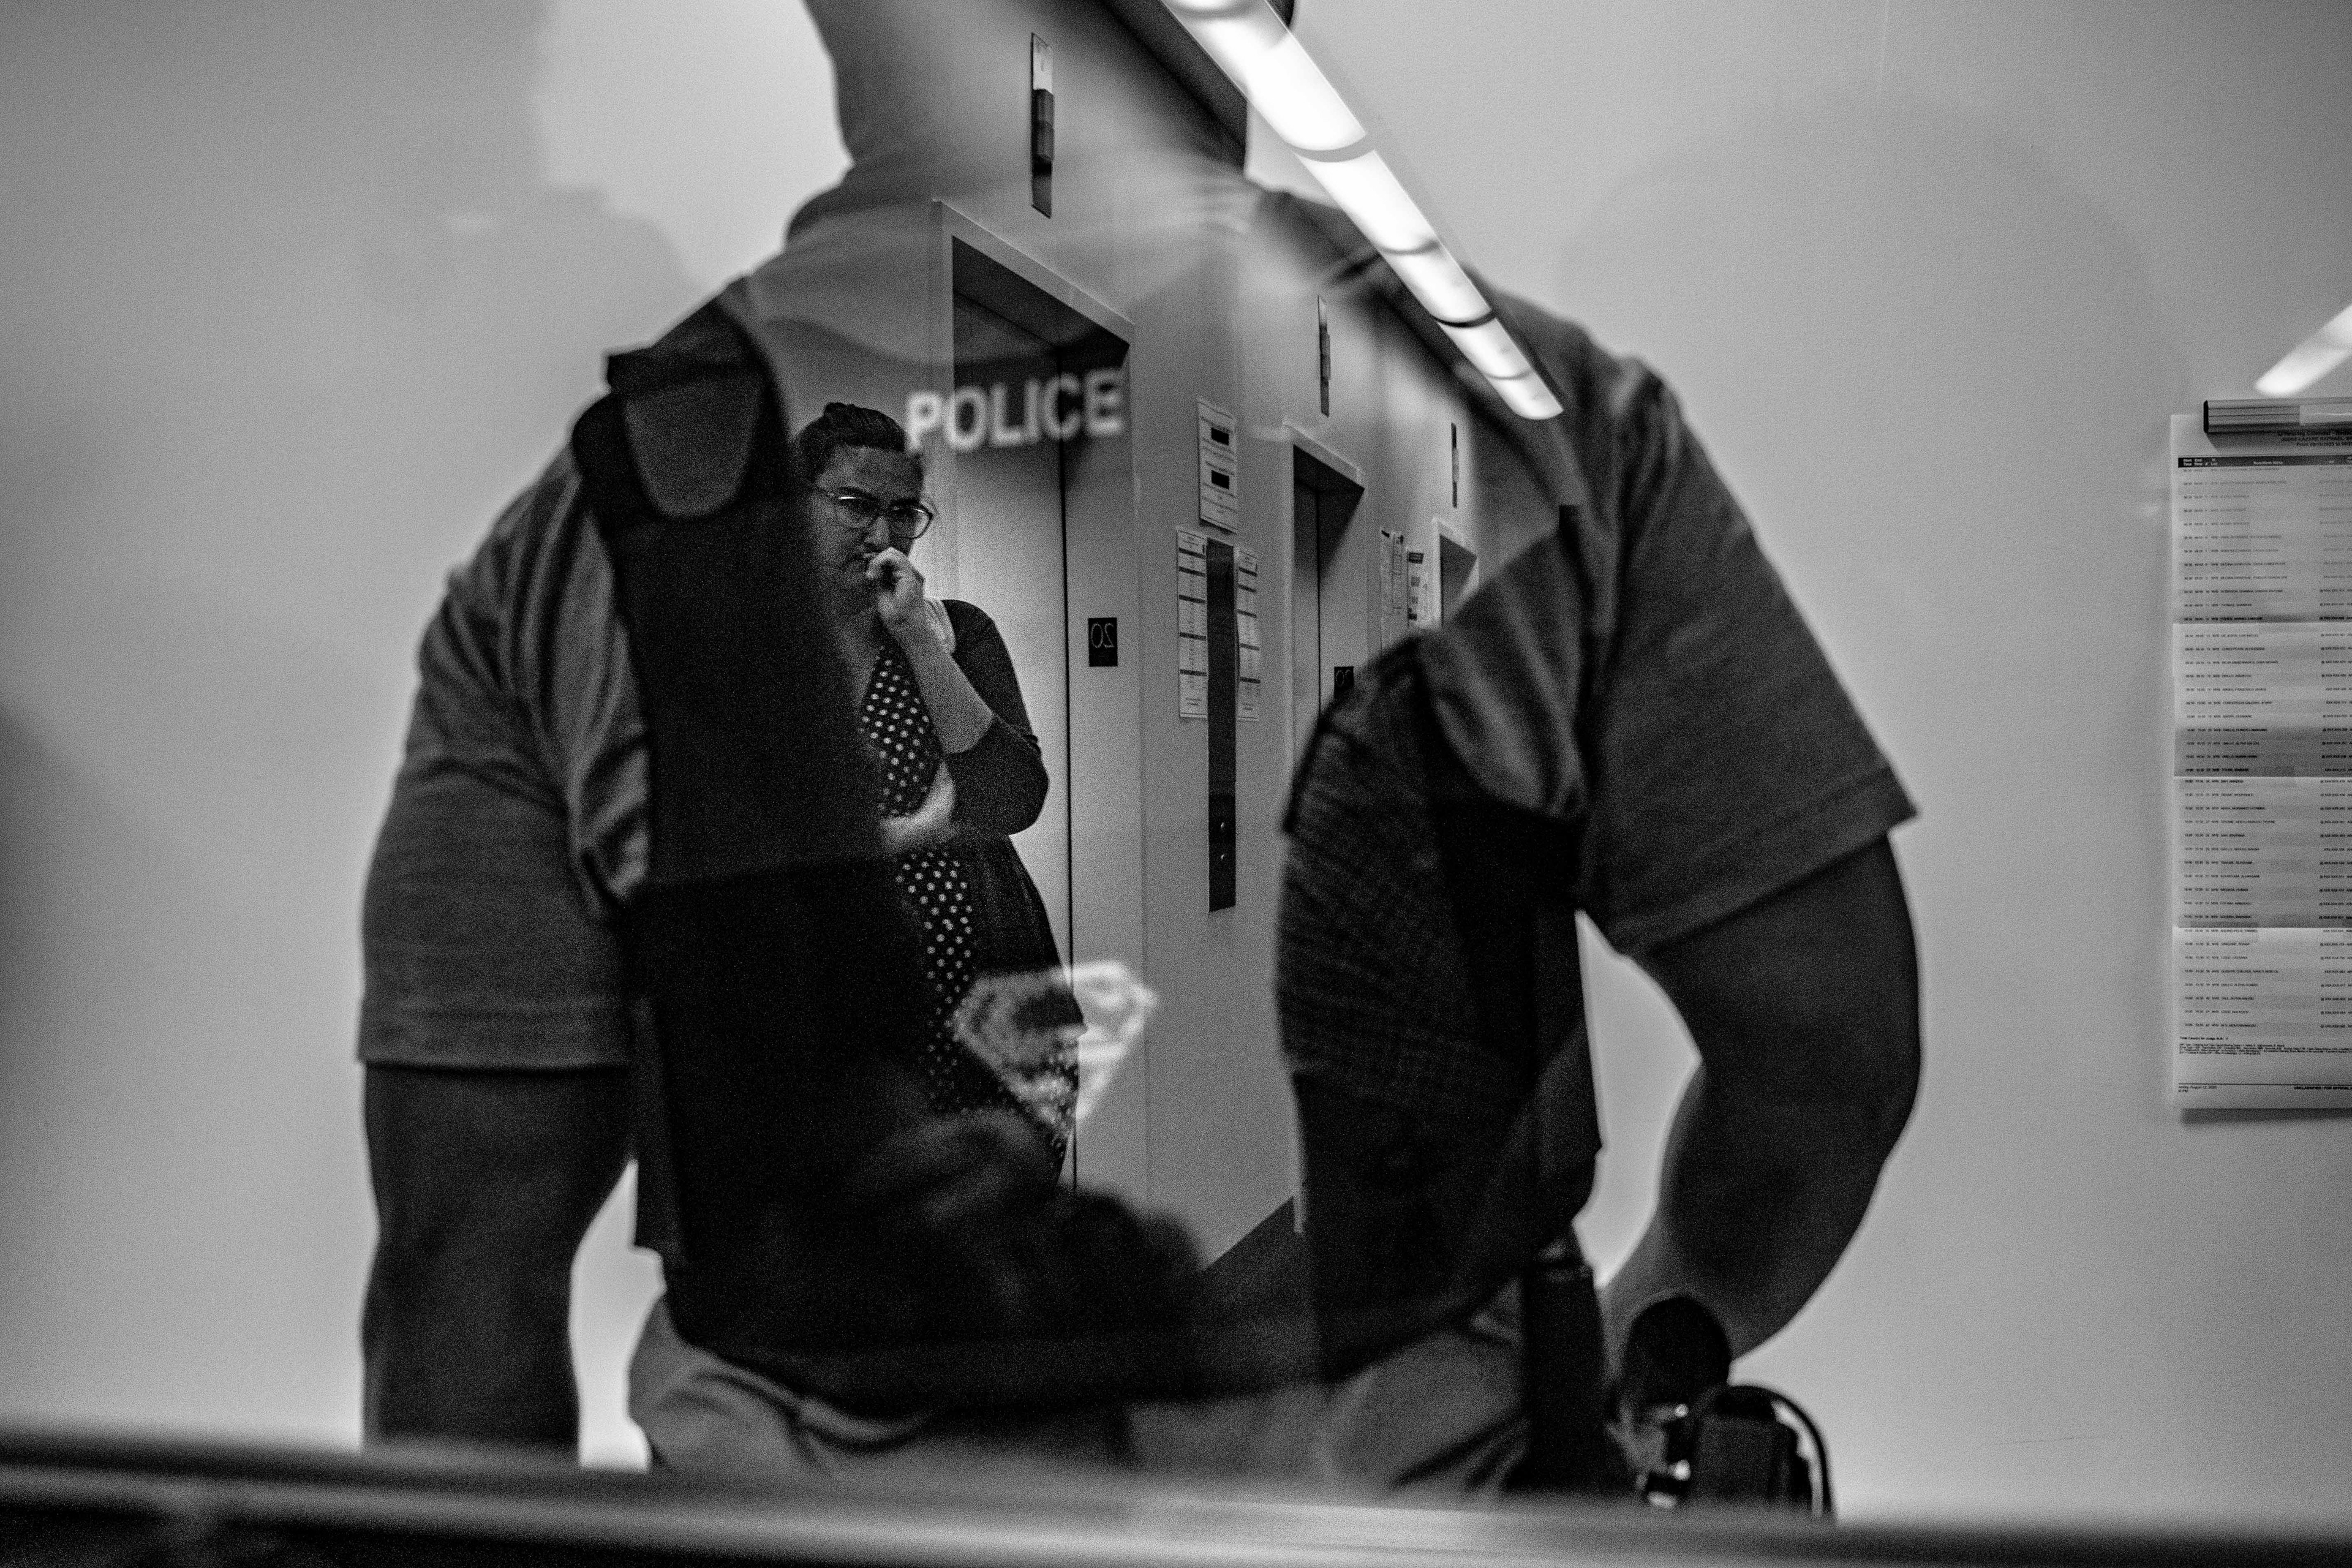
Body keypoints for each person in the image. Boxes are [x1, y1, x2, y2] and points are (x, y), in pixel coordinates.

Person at [356, 386, 1066, 1449]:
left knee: (977, 1278)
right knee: (801, 1285)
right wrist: (861, 849)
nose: (880, 533)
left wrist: (923, 643)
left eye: (903, 514)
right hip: (816, 1017)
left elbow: (1008, 797)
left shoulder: (959, 631)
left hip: (982, 1011)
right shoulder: (726, 649)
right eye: (854, 505)